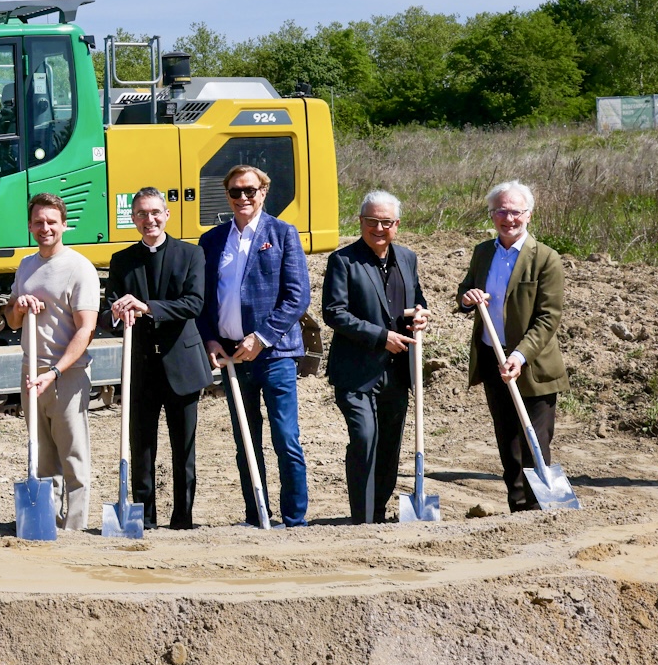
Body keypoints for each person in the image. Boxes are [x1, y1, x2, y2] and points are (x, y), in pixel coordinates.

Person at [199, 165, 311, 527]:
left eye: (250, 190)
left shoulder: (282, 233)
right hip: (232, 356)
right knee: (245, 441)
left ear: (264, 191)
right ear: (227, 195)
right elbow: (204, 299)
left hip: (274, 355)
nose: (243, 198)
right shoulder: (213, 240)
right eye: (235, 192)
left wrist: (261, 337)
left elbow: (297, 298)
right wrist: (210, 337)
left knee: (285, 438)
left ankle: (294, 519)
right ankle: (256, 515)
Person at [458, 180, 569, 513]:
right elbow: (465, 292)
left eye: (515, 212)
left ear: (529, 215)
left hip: (532, 366)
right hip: (493, 357)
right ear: (492, 215)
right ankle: (518, 509)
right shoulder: (483, 253)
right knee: (508, 443)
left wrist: (519, 356)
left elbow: (548, 319)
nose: (509, 218)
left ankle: (541, 511)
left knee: (535, 442)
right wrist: (467, 298)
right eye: (501, 211)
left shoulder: (546, 259)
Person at [104, 187, 209, 530]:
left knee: (184, 449)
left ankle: (183, 518)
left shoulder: (191, 255)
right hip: (141, 368)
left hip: (181, 364)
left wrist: (148, 307)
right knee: (141, 447)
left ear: (167, 214)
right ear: (133, 219)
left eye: (154, 213)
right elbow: (111, 311)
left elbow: (194, 304)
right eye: (141, 214)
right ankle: (144, 518)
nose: (148, 220)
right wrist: (118, 311)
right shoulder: (122, 261)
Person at [321, 190, 429, 524]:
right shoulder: (343, 261)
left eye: (386, 222)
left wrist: (422, 315)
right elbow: (334, 313)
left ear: (397, 224)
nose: (379, 228)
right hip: (356, 371)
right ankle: (362, 516)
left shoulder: (407, 258)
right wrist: (382, 337)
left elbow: (418, 299)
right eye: (372, 221)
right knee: (365, 437)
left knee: (389, 446)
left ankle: (378, 512)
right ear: (361, 222)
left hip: (397, 371)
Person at [6, 192, 101, 530]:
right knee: (41, 453)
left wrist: (57, 371)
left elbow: (86, 329)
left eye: (51, 222)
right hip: (31, 371)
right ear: (30, 226)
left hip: (67, 375)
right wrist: (18, 307)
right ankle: (45, 522)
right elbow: (13, 321)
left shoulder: (79, 268)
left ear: (64, 224)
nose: (45, 227)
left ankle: (74, 527)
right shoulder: (27, 265)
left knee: (72, 455)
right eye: (38, 222)